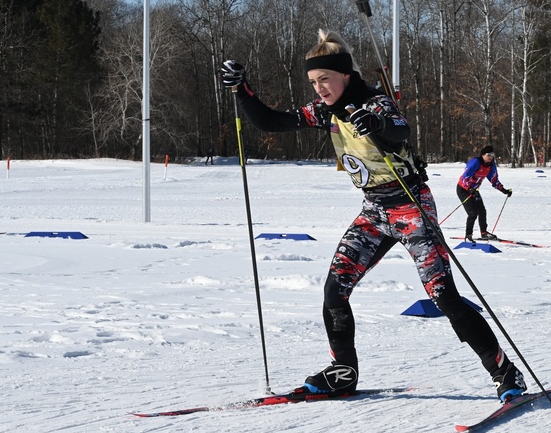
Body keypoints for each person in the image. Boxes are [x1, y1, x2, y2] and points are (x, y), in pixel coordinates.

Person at [218, 30, 526, 402]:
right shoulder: (324, 111)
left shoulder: (374, 102)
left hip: (411, 208)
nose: (319, 89)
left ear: (345, 75)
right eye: (313, 82)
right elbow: (272, 122)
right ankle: (343, 372)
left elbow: (400, 131)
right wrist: (243, 90)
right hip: (374, 211)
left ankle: (505, 373)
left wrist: (376, 124)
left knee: (443, 295)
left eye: (325, 80)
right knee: (335, 291)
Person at [455, 146, 512, 243]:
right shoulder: (475, 162)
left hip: (474, 190)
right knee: (472, 213)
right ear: (483, 155)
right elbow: (465, 177)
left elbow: (494, 180)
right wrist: (469, 188)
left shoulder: (491, 166)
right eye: (488, 155)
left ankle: (484, 233)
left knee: (482, 211)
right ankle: (468, 235)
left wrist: (503, 190)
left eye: (492, 155)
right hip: (463, 189)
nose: (490, 157)